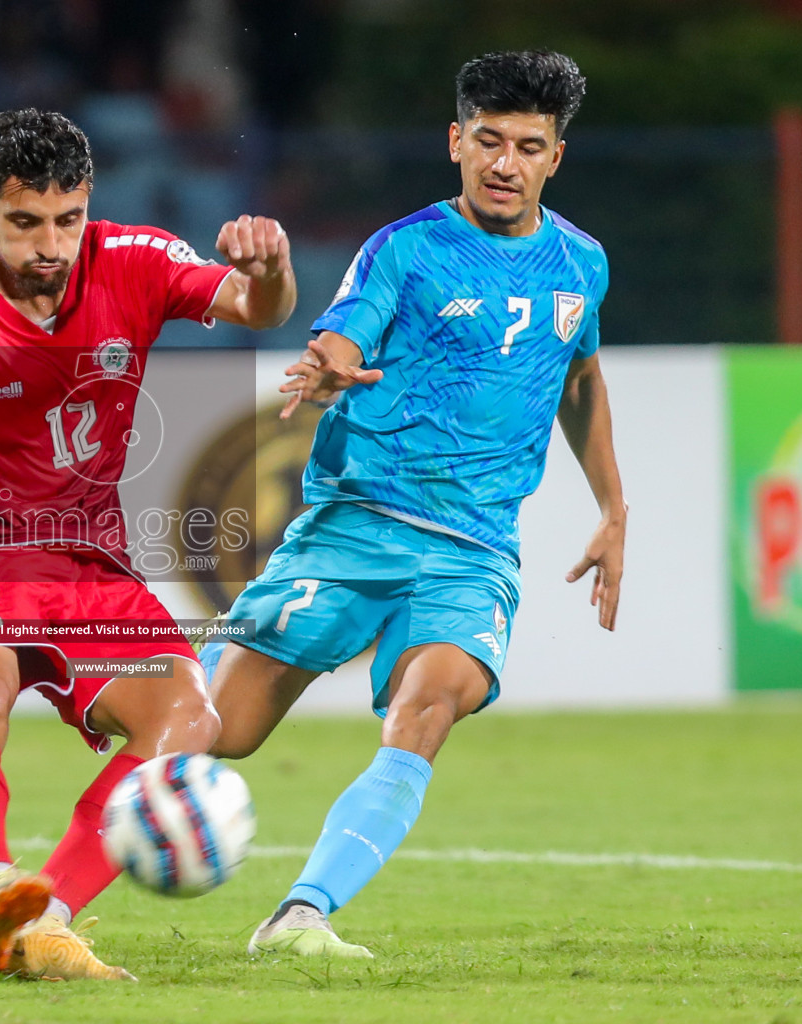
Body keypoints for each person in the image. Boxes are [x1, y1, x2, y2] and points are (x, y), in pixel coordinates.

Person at [0, 108, 295, 981]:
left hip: (88, 558)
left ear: (89, 207)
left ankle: (43, 920)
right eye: (25, 222)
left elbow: (253, 307)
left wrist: (269, 274)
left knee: (189, 716)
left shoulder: (135, 262)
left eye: (67, 220)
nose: (50, 244)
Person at [198, 50, 627, 957]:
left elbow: (580, 378)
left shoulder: (581, 262)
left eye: (527, 146)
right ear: (454, 142)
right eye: (488, 141)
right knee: (216, 732)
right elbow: (342, 334)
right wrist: (328, 365)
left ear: (557, 157)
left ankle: (302, 914)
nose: (504, 163)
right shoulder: (406, 247)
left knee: (432, 705)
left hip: (473, 552)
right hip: (356, 525)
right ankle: (60, 893)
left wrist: (613, 508)